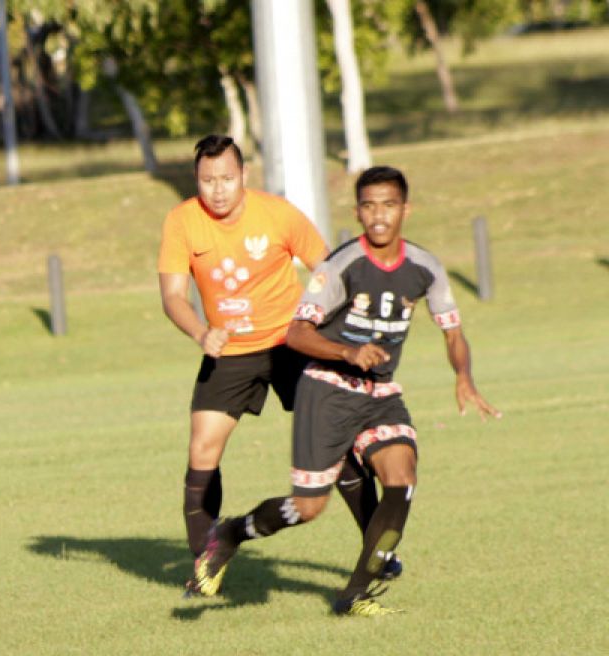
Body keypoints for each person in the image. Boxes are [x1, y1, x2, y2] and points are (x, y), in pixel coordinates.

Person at [195, 166, 500, 615]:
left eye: (389, 205)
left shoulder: (425, 268)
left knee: (402, 480)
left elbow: (453, 333)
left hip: (380, 395)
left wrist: (464, 376)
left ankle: (354, 595)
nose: (380, 216)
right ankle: (231, 534)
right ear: (357, 212)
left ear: (405, 209)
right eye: (370, 206)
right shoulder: (341, 265)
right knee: (307, 508)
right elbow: (297, 335)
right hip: (328, 392)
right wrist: (346, 352)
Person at [157, 135, 382, 597]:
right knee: (203, 449)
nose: (217, 189)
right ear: (196, 180)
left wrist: (341, 335)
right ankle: (206, 565)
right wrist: (202, 332)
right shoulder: (182, 221)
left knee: (333, 441)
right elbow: (173, 297)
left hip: (291, 343)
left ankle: (378, 547)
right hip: (229, 351)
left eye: (226, 178)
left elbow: (328, 272)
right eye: (207, 180)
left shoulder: (277, 214)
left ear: (243, 176)